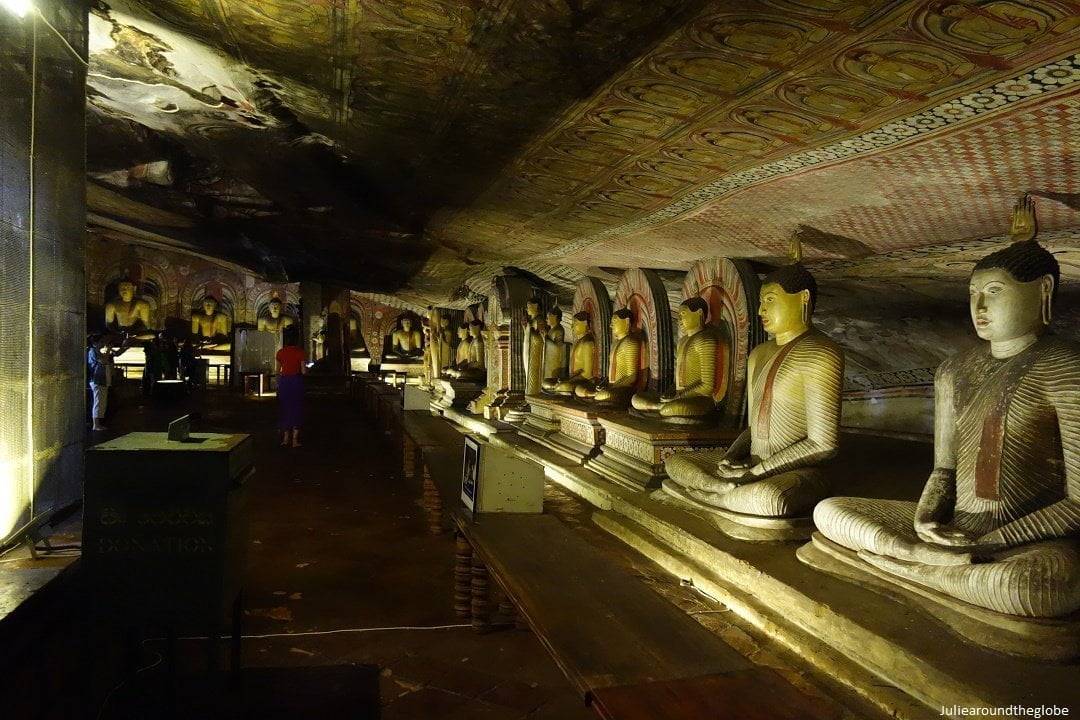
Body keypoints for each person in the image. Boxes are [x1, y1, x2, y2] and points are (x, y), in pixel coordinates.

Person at [276, 325, 306, 448]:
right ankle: (294, 440)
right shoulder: (301, 352)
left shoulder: (281, 352)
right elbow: (303, 371)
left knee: (285, 408)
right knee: (296, 409)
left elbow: (277, 370)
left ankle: (285, 438)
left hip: (284, 382)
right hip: (296, 381)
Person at [87, 334, 115, 432]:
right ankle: (96, 424)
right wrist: (108, 350)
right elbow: (103, 361)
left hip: (102, 379)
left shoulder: (96, 351)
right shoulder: (93, 351)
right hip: (97, 379)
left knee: (101, 402)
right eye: (101, 342)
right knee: (98, 402)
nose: (102, 344)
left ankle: (98, 423)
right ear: (95, 343)